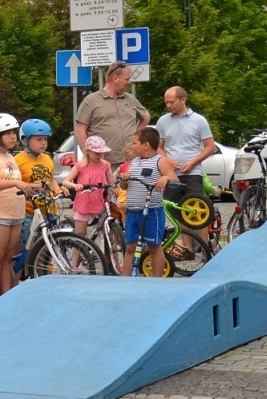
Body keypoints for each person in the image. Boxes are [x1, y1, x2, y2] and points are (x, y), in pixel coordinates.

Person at [0, 113, 34, 302]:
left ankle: (5, 296)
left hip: (15, 213)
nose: (13, 137)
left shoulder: (10, 157)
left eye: (14, 133)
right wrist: (16, 184)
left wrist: (30, 187)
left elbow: (12, 181)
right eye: (7, 133)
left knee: (8, 257)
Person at [158, 86, 218, 239]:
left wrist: (193, 162)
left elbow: (210, 147)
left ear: (183, 99)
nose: (168, 106)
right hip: (172, 174)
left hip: (193, 173)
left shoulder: (199, 120)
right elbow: (158, 148)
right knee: (178, 211)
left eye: (171, 102)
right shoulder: (163, 121)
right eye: (166, 103)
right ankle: (187, 248)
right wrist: (167, 160)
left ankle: (205, 247)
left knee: (197, 209)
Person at [123, 126, 178, 278]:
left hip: (151, 211)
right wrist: (124, 180)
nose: (132, 146)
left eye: (135, 143)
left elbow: (174, 178)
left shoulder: (160, 161)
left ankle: (156, 281)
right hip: (132, 211)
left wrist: (165, 178)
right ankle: (124, 280)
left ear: (145, 145)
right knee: (130, 247)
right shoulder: (133, 162)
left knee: (154, 246)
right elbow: (123, 186)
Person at [75, 62, 150, 168]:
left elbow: (146, 117)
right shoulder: (91, 101)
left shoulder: (130, 99)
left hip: (131, 161)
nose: (129, 82)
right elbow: (80, 131)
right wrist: (88, 158)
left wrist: (135, 139)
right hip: (104, 163)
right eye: (127, 79)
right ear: (115, 78)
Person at [15, 119, 60, 248]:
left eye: (45, 139)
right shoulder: (17, 161)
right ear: (25, 140)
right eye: (39, 139)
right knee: (24, 249)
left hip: (49, 211)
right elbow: (15, 184)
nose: (43, 143)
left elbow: (51, 179)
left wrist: (59, 190)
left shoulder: (47, 158)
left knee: (47, 250)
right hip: (29, 213)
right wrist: (36, 186)